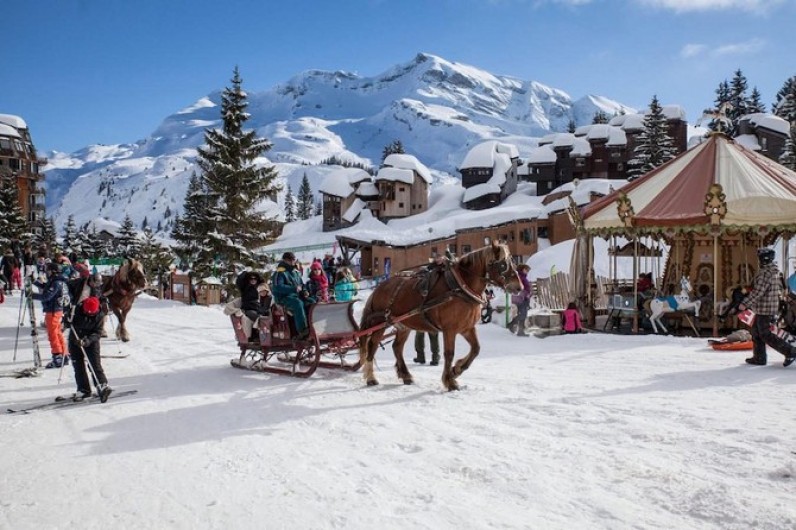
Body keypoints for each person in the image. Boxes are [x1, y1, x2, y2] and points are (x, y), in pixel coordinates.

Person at [738, 248, 796, 367]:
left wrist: (745, 303)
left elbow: (758, 292)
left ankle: (790, 352)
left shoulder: (765, 273)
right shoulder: (775, 271)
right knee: (756, 332)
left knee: (765, 334)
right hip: (767, 307)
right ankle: (759, 357)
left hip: (765, 308)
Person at [67, 295, 112, 402]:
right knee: (78, 365)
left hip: (91, 341)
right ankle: (83, 389)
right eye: (87, 313)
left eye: (92, 313)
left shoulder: (100, 315)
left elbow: (97, 333)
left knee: (94, 363)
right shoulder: (76, 310)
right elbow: (67, 320)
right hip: (75, 339)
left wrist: (86, 341)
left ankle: (102, 385)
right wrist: (66, 320)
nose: (89, 315)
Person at [34, 261, 70, 368]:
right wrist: (34, 281)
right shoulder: (56, 281)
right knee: (57, 333)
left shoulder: (56, 283)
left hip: (53, 311)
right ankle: (64, 354)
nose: (47, 273)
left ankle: (58, 357)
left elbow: (47, 296)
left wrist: (32, 295)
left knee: (53, 334)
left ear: (53, 272)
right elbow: (45, 287)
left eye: (48, 271)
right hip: (55, 311)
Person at [271, 252, 312, 339]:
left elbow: (301, 285)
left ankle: (313, 325)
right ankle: (302, 330)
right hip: (283, 298)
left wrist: (304, 291)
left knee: (312, 302)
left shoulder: (296, 272)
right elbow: (278, 287)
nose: (293, 261)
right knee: (298, 304)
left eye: (294, 259)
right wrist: (293, 289)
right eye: (290, 260)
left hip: (296, 296)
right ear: (285, 260)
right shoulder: (280, 272)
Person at [508, 264, 531, 337]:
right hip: (521, 298)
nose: (527, 271)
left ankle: (520, 331)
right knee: (522, 314)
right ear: (522, 269)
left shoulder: (522, 277)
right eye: (526, 269)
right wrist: (525, 294)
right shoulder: (520, 277)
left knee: (523, 314)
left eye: (528, 270)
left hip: (523, 298)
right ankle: (512, 324)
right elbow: (519, 288)